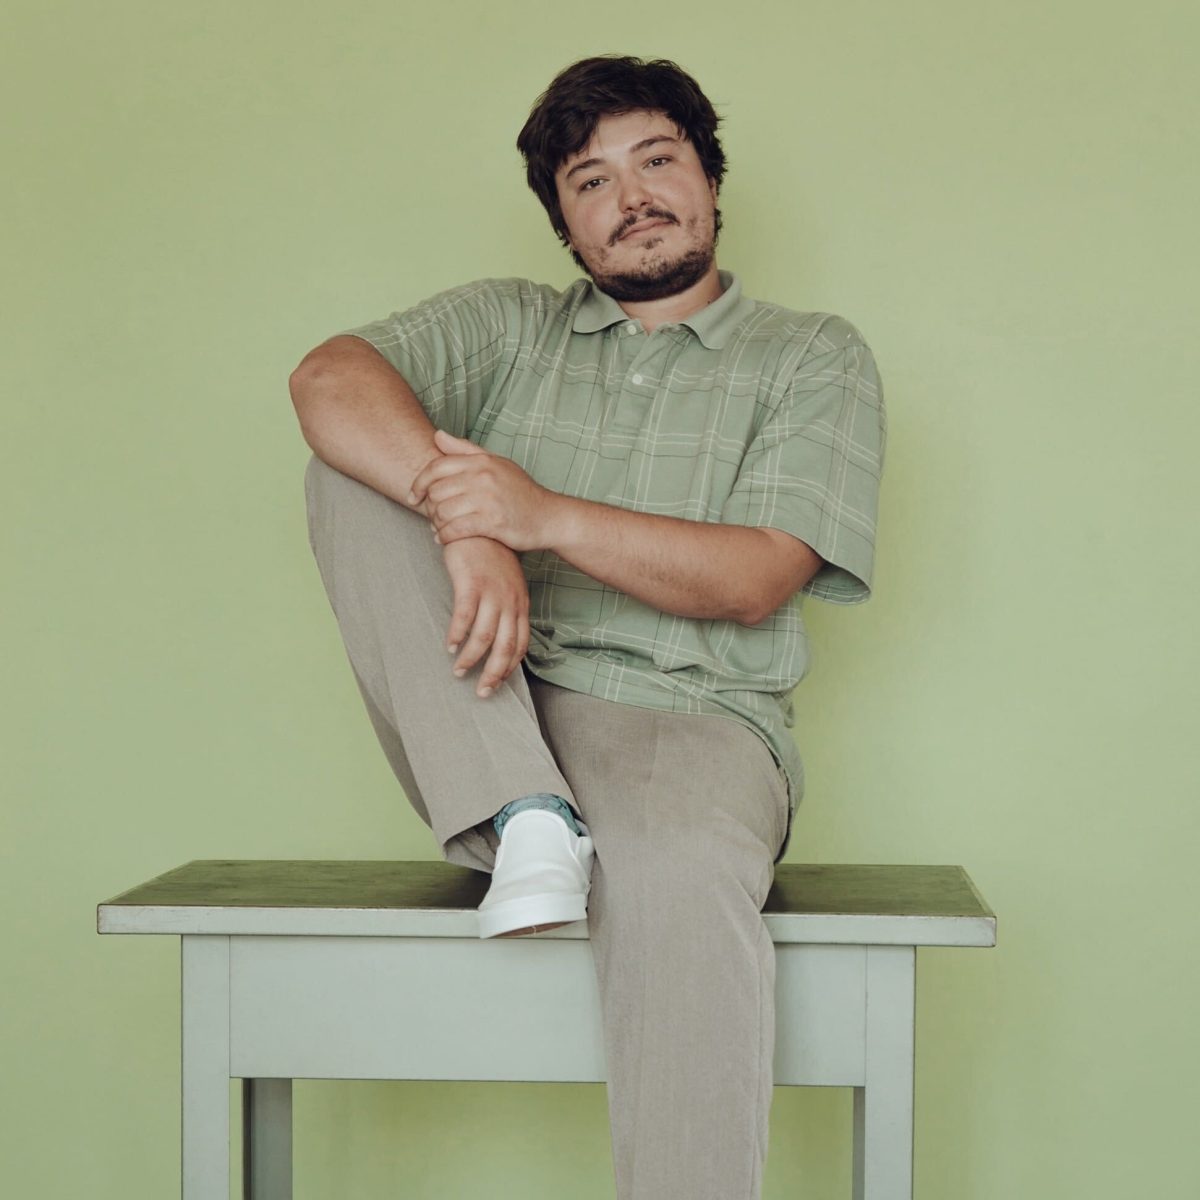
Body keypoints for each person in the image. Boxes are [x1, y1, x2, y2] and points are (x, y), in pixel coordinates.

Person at [289, 54, 884, 1200]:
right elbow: (328, 377)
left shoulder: (813, 354)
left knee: (678, 875)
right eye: (591, 181)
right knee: (348, 472)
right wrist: (466, 528)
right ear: (564, 224)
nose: (633, 196)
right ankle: (528, 814)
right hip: (484, 697)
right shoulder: (510, 326)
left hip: (687, 717)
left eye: (657, 161)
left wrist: (537, 516)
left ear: (710, 177)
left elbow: (759, 576)